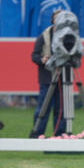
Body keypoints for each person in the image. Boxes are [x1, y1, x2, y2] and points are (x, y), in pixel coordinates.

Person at [30, 10, 66, 138]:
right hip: (46, 78)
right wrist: (42, 60)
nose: (59, 20)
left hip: (63, 79)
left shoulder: (68, 35)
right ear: (52, 20)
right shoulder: (44, 36)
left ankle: (59, 135)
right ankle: (37, 135)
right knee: (43, 109)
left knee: (61, 110)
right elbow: (34, 55)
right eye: (57, 18)